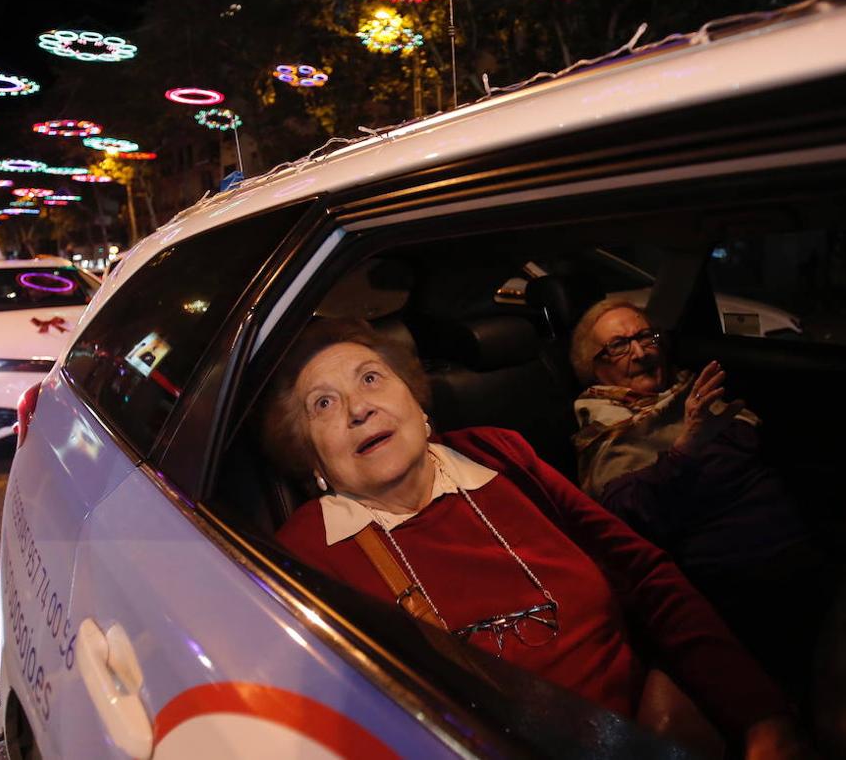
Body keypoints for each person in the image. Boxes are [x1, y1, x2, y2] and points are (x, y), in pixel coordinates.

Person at [265, 318, 807, 759]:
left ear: (418, 403)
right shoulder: (307, 553)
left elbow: (644, 575)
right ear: (312, 457)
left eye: (370, 378)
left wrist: (760, 717)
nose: (359, 409)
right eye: (323, 404)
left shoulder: (501, 457)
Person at [569, 300, 825, 696]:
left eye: (645, 336)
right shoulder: (606, 430)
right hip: (733, 584)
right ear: (594, 367)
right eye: (619, 345)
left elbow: (752, 443)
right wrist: (687, 448)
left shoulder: (693, 393)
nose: (640, 352)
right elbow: (626, 514)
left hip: (798, 552)